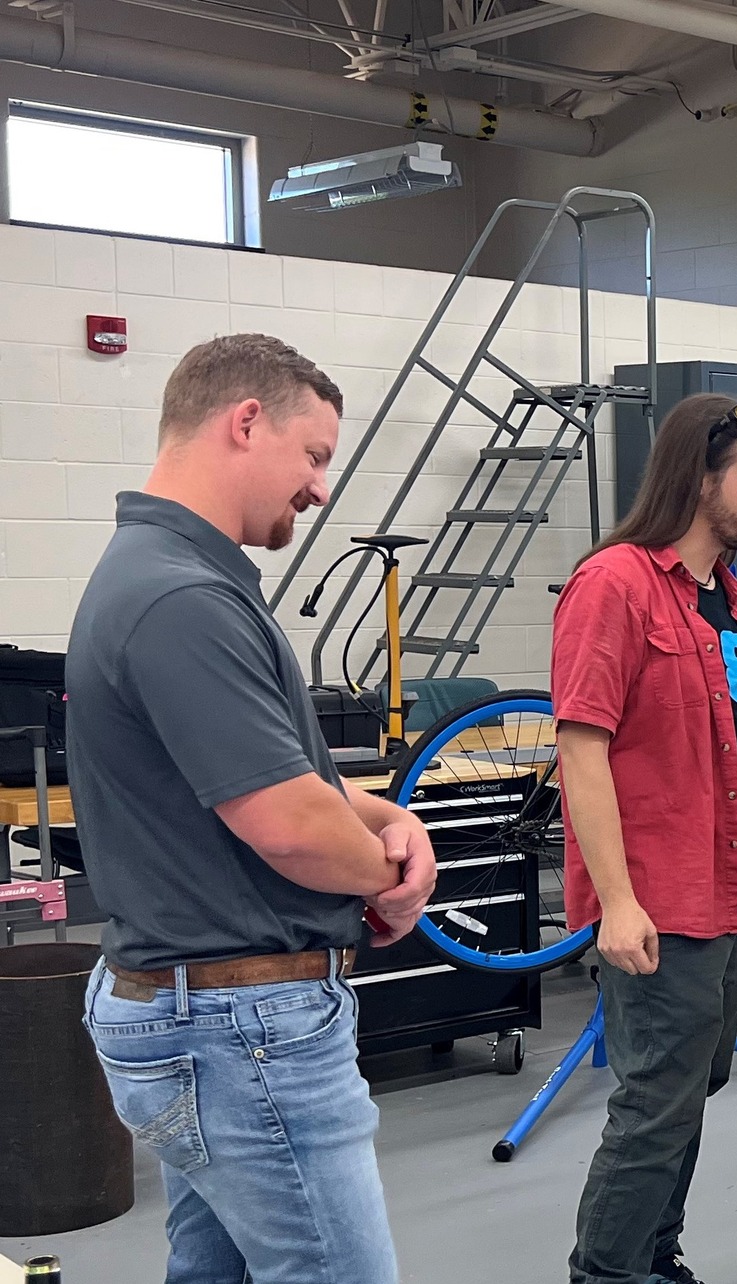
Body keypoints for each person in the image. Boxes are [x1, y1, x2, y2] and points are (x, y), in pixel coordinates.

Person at [67, 333, 438, 1284]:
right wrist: (394, 881)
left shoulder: (167, 577)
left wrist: (389, 816)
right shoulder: (179, 599)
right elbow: (283, 821)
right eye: (313, 456)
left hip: (212, 1018)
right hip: (241, 1031)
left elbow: (285, 772)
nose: (319, 488)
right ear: (244, 422)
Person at [553, 393, 737, 1284]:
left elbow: (711, 740)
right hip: (659, 905)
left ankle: (654, 1257)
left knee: (689, 1095)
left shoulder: (720, 604)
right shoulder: (615, 586)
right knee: (655, 1106)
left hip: (730, 897)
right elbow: (582, 748)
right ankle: (608, 1274)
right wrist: (616, 903)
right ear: (700, 480)